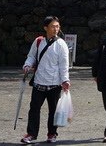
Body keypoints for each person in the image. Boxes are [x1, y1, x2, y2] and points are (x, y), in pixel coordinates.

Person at [20, 16, 71, 144]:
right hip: (39, 82)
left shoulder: (61, 44)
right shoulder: (38, 41)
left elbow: (64, 65)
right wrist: (27, 65)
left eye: (57, 26)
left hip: (54, 84)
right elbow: (31, 56)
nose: (56, 29)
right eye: (53, 26)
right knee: (34, 109)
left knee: (53, 111)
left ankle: (52, 134)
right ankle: (31, 134)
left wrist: (65, 80)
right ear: (45, 28)